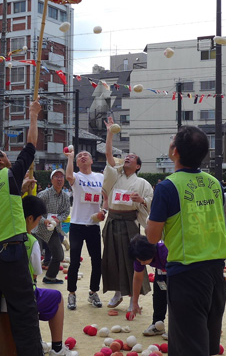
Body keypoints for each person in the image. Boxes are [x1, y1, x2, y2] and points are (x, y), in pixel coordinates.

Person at [146, 125, 226, 356]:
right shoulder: (214, 183)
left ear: (175, 151)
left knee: (189, 347)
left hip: (187, 272)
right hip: (217, 271)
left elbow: (152, 237)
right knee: (207, 343)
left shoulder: (167, 186)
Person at [0, 98, 42, 355]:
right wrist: (33, 115)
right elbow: (31, 145)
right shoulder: (9, 175)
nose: (6, 156)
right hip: (9, 255)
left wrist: (20, 189)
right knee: (24, 313)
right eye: (3, 153)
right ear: (0, 161)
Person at [101, 116, 153, 310]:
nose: (128, 157)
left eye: (133, 157)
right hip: (112, 220)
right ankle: (117, 293)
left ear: (138, 166)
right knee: (112, 259)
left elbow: (150, 204)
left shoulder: (142, 183)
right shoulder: (116, 174)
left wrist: (141, 200)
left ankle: (133, 298)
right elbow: (108, 155)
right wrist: (109, 134)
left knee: (131, 259)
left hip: (129, 222)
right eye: (127, 156)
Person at [19, 195, 78, 356]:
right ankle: (57, 348)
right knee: (56, 297)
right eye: (38, 219)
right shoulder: (31, 241)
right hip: (22, 296)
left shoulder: (0, 235)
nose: (39, 222)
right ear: (30, 218)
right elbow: (36, 272)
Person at [64, 148, 104, 310]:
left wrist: (104, 211)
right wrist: (70, 158)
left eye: (85, 155)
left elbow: (107, 197)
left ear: (91, 160)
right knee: (74, 261)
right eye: (79, 156)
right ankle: (71, 294)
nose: (82, 157)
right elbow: (68, 176)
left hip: (93, 225)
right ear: (77, 163)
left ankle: (93, 292)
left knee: (97, 261)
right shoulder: (76, 177)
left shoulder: (100, 177)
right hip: (77, 225)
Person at [128, 234, 169, 338]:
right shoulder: (139, 258)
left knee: (176, 299)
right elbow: (137, 278)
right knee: (158, 297)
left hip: (177, 271)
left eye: (144, 260)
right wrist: (135, 302)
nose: (142, 263)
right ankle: (157, 325)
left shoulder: (164, 251)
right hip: (161, 272)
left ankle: (178, 329)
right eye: (139, 260)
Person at [35, 169, 70, 284]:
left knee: (59, 254)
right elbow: (36, 211)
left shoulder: (65, 196)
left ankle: (50, 277)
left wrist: (57, 220)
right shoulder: (44, 194)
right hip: (39, 228)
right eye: (56, 177)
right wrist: (44, 221)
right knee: (35, 254)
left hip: (53, 228)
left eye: (61, 177)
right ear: (51, 180)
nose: (59, 179)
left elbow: (66, 212)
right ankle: (31, 279)